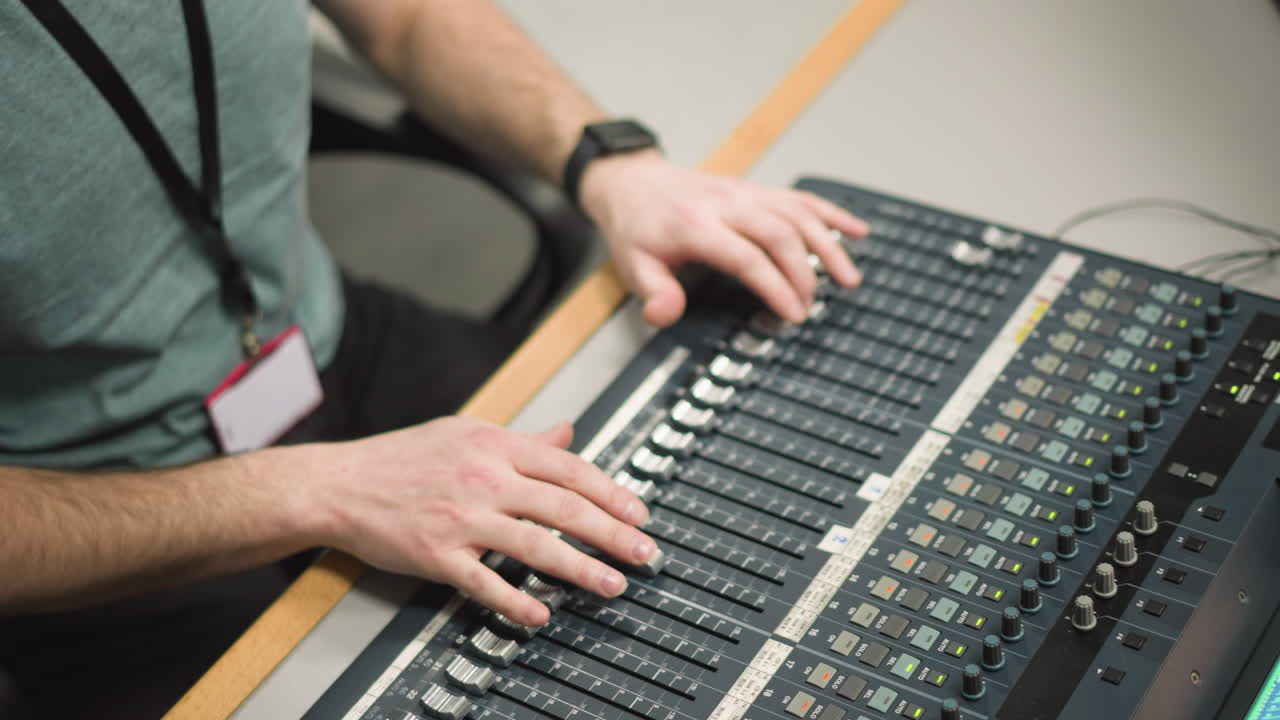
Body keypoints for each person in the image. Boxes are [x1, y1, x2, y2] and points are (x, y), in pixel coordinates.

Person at [0, 0, 867, 717]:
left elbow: (406, 17)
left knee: (696, 538)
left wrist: (610, 164)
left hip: (326, 341)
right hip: (92, 515)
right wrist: (315, 492)